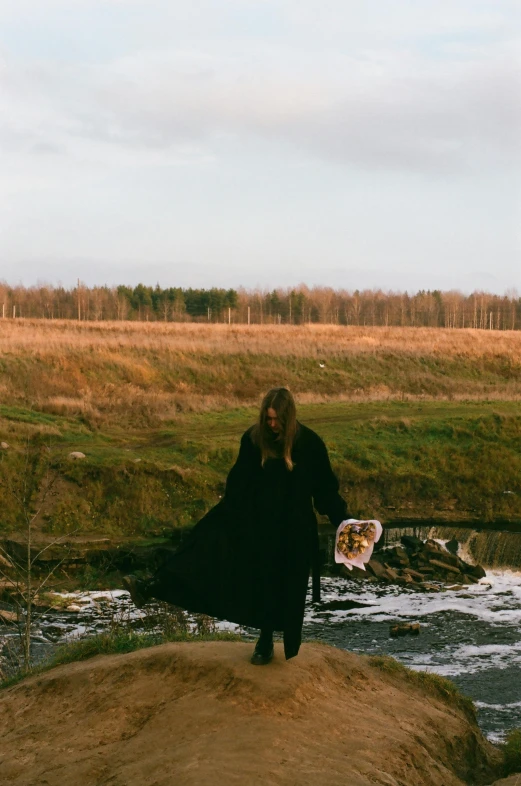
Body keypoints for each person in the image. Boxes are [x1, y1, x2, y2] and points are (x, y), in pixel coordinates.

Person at [123, 387, 348, 665]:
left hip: (294, 533)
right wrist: (231, 517)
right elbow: (238, 485)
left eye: (277, 419)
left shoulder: (310, 444)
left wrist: (345, 521)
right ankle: (154, 586)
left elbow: (325, 492)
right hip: (260, 527)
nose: (272, 424)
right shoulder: (254, 440)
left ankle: (267, 641)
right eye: (268, 419)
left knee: (281, 588)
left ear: (289, 418)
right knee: (206, 541)